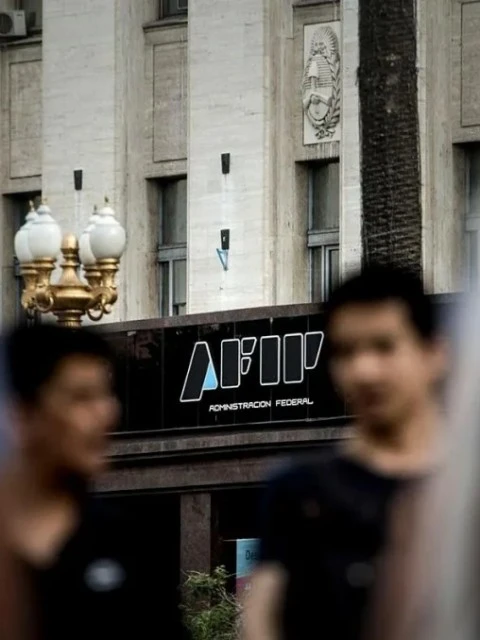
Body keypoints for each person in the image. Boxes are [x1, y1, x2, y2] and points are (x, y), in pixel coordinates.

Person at [243, 265, 447, 640]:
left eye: (384, 346)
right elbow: (262, 621)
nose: (364, 371)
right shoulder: (299, 490)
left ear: (433, 353)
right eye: (346, 352)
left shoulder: (467, 486)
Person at [0, 324, 187, 640]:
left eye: (106, 395)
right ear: (23, 415)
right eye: (81, 398)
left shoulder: (130, 543)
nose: (107, 413)